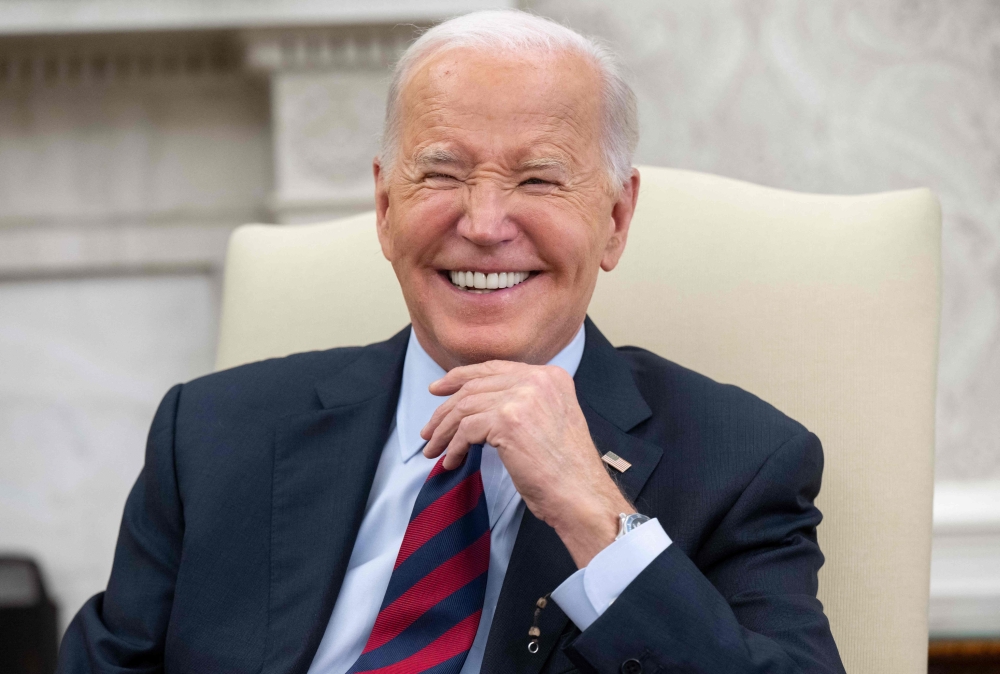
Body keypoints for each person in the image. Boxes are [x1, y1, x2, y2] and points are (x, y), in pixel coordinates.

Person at [58, 10, 845, 674]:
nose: (483, 223)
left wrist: (593, 514)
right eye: (441, 175)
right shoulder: (212, 432)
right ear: (383, 204)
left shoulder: (742, 463)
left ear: (615, 219)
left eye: (538, 179)